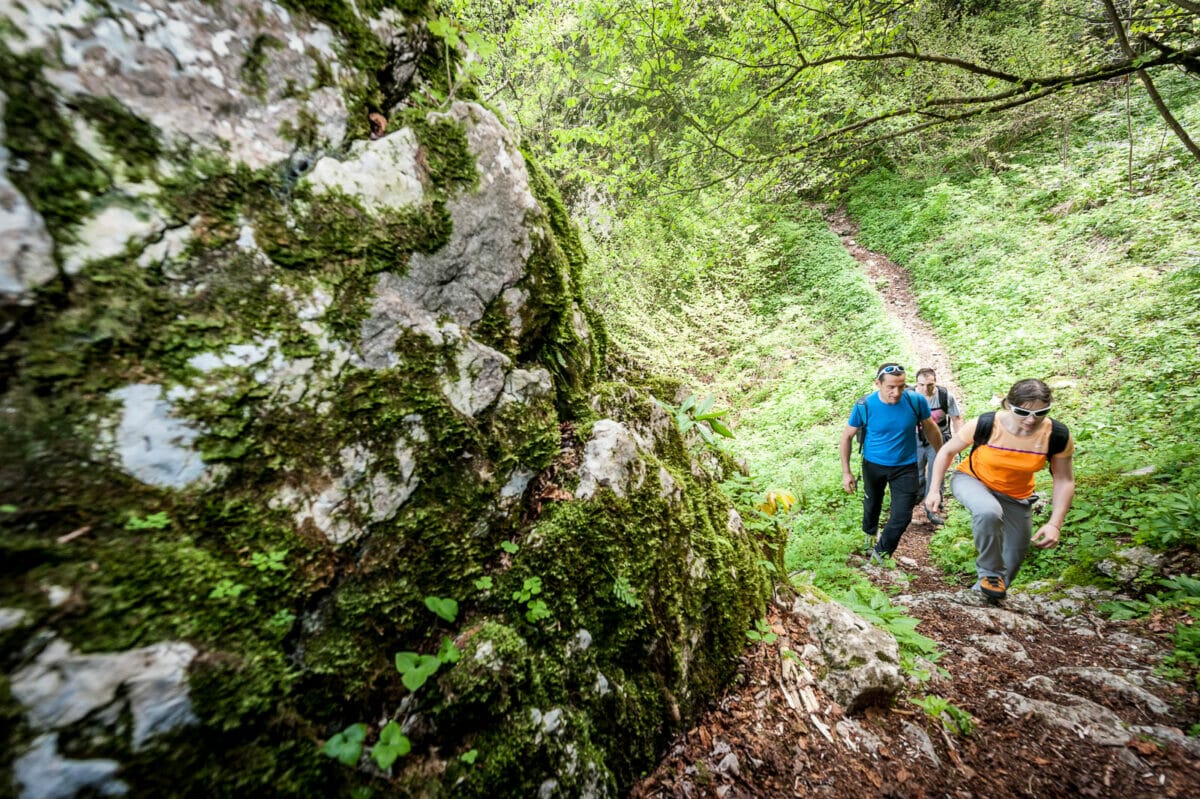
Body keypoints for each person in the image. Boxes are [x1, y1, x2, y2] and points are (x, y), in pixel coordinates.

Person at [923, 378, 1075, 600]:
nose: (1032, 420)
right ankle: (989, 572)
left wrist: (1055, 524)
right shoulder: (986, 424)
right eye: (1023, 412)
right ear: (1007, 405)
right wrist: (934, 490)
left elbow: (1064, 480)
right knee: (988, 511)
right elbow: (947, 451)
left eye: (1041, 413)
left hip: (1017, 497)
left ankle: (980, 601)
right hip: (972, 480)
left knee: (1012, 561)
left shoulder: (1056, 435)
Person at [840, 363, 944, 562]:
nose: (896, 393)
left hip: (905, 467)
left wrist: (941, 454)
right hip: (873, 466)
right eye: (890, 387)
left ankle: (881, 554)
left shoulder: (916, 401)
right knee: (872, 505)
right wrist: (846, 472)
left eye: (902, 386)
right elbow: (846, 438)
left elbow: (930, 427)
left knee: (903, 515)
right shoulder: (865, 405)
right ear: (878, 383)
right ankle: (869, 537)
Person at [914, 368, 962, 525]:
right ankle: (917, 497)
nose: (925, 389)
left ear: (935, 382)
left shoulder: (944, 397)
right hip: (915, 440)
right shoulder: (909, 397)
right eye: (921, 385)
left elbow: (956, 418)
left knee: (937, 473)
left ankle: (933, 509)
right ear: (916, 383)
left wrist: (959, 440)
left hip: (938, 440)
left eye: (930, 385)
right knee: (917, 473)